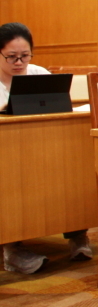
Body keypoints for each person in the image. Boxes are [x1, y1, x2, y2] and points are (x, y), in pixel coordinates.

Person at [0, 22, 92, 274]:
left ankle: (78, 234)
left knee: (70, 172)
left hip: (44, 149)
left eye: (25, 55)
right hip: (8, 156)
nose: (19, 62)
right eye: (11, 56)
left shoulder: (38, 74)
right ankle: (11, 250)